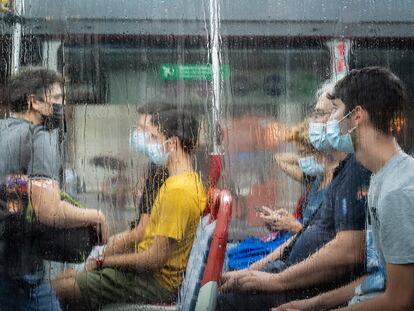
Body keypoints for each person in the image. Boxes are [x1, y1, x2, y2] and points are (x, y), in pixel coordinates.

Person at [217, 82, 371, 310]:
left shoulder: (358, 170)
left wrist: (278, 281)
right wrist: (253, 271)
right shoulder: (341, 172)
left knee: (228, 300)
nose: (313, 123)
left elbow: (348, 251)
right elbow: (304, 236)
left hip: (310, 283)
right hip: (292, 270)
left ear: (353, 116)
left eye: (321, 114)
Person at [52, 108, 207, 310]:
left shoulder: (179, 191)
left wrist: (105, 261)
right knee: (67, 276)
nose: (149, 142)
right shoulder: (183, 181)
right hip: (149, 276)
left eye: (154, 137)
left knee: (58, 288)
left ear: (173, 144)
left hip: (155, 282)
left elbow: (153, 260)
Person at [0, 66, 108, 310]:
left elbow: (11, 187)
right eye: (57, 98)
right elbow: (49, 210)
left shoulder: (3, 131)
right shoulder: (39, 137)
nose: (62, 105)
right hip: (18, 268)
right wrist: (96, 216)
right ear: (34, 102)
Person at [325, 67, 414, 310]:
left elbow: (400, 301)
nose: (331, 122)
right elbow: (377, 279)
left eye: (336, 111)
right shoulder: (379, 177)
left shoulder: (398, 192)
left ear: (357, 115)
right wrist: (308, 305)